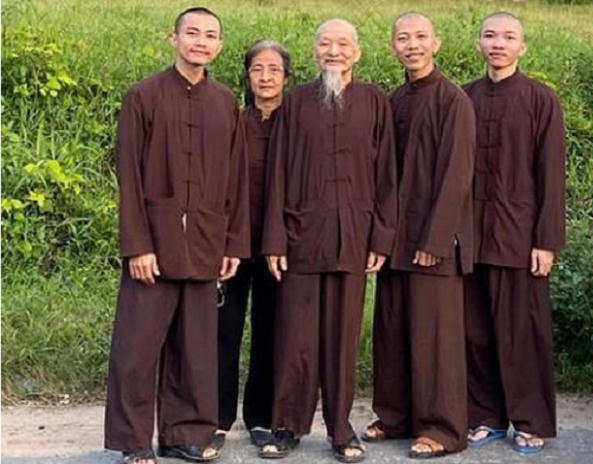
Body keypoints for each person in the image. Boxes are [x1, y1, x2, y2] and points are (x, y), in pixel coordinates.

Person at [104, 7, 249, 464]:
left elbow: (238, 179)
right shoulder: (143, 96)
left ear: (219, 46)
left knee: (195, 349)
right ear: (174, 39)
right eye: (192, 33)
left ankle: (182, 435)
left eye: (210, 36)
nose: (200, 42)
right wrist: (137, 245)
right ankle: (133, 441)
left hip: (206, 241)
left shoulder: (225, 101)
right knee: (136, 348)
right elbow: (129, 176)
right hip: (155, 242)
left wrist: (233, 243)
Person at [258, 18, 397, 463]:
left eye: (342, 44)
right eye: (325, 43)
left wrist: (381, 238)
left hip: (353, 237)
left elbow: (386, 175)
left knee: (342, 340)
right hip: (301, 237)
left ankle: (340, 430)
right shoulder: (296, 102)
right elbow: (277, 173)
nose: (333, 51)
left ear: (358, 52)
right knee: (294, 338)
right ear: (315, 51)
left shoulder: (374, 101)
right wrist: (274, 241)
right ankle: (286, 426)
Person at [363, 12, 476, 459]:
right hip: (396, 239)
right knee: (392, 330)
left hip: (433, 242)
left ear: (437, 43)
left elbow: (457, 176)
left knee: (435, 339)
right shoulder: (394, 100)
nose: (412, 45)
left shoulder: (453, 100)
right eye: (403, 38)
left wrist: (435, 241)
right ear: (393, 46)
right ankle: (396, 417)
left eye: (421, 37)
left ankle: (443, 428)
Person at [463, 11, 566, 455]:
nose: (498, 44)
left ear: (522, 47)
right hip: (471, 238)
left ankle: (529, 420)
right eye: (490, 36)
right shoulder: (463, 97)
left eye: (508, 37)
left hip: (520, 237)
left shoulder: (541, 100)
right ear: (479, 44)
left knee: (522, 333)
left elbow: (551, 175)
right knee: (475, 332)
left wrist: (546, 240)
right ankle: (486, 416)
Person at [215, 39, 291, 450]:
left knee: (270, 331)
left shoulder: (296, 123)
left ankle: (261, 416)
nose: (265, 77)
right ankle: (217, 417)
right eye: (258, 69)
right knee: (223, 329)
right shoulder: (233, 121)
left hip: (280, 245)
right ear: (247, 76)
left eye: (274, 69)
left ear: (286, 77)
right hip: (233, 241)